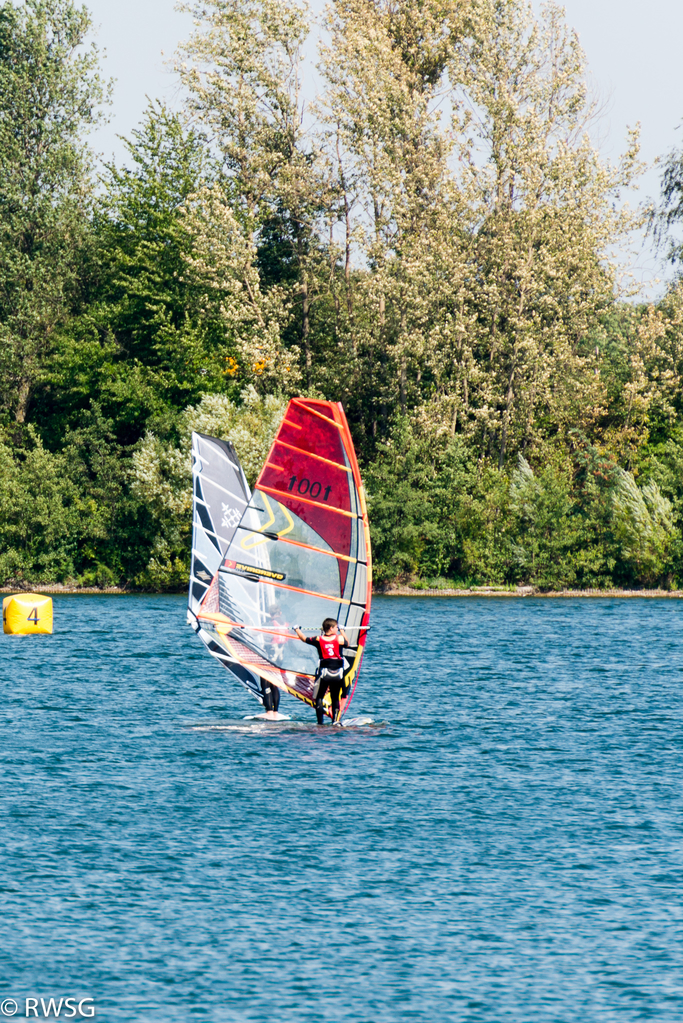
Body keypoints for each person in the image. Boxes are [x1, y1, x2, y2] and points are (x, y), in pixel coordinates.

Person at [294, 618, 350, 725]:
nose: (337, 629)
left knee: (319, 697)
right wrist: (343, 631)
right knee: (335, 697)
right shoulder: (339, 639)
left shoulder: (318, 639)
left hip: (324, 673)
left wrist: (297, 629)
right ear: (331, 628)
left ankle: (320, 723)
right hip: (338, 673)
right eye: (336, 627)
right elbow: (347, 643)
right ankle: (335, 721)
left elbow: (304, 639)